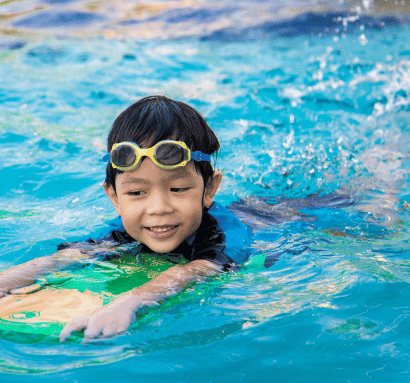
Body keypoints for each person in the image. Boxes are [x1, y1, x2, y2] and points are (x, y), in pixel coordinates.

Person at [0, 95, 252, 341]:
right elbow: (69, 256)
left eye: (177, 189)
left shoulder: (225, 232)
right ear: (115, 197)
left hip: (273, 218)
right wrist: (7, 281)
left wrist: (131, 301)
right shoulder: (123, 230)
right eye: (136, 192)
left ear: (209, 189)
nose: (158, 208)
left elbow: (198, 270)